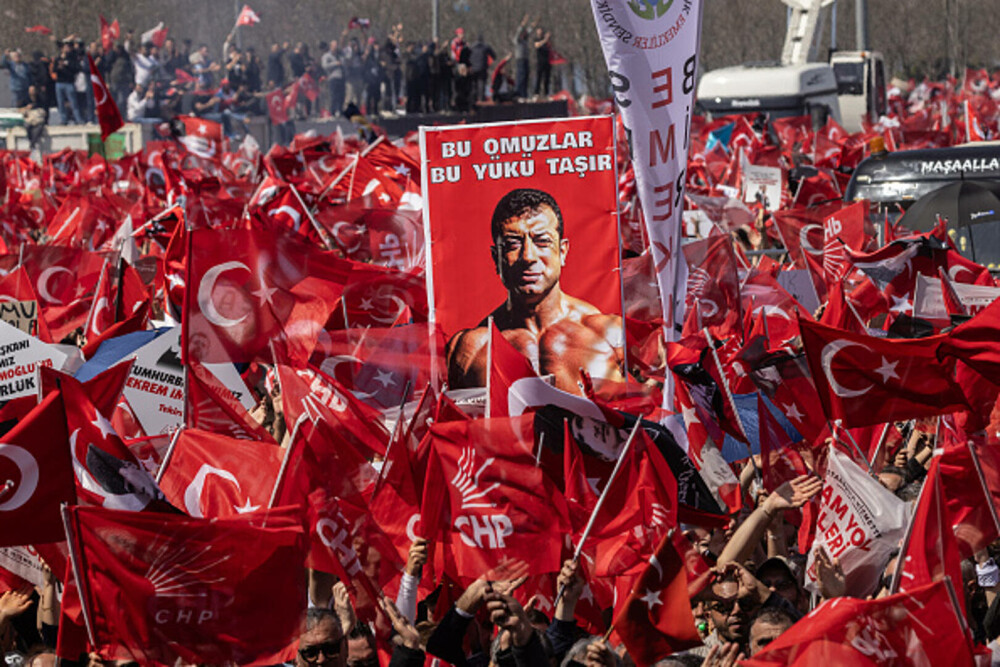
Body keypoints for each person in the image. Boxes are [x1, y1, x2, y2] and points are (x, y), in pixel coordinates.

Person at [446, 188, 625, 392]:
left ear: (563, 251)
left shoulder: (610, 336)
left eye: (542, 242)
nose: (528, 257)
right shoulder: (471, 349)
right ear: (496, 258)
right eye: (512, 244)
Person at [50, 40, 83, 124]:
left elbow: (77, 68)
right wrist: (59, 67)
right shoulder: (58, 58)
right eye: (65, 47)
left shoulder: (72, 58)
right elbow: (53, 70)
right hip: (59, 83)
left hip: (69, 83)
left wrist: (67, 65)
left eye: (68, 47)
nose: (66, 49)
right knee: (61, 103)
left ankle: (78, 119)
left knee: (73, 102)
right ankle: (63, 119)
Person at [468, 35, 496, 103]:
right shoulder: (486, 47)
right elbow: (494, 56)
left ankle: (474, 99)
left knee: (474, 83)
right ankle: (481, 99)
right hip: (482, 67)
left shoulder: (471, 47)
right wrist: (488, 63)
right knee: (481, 82)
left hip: (473, 68)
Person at [512, 15, 534, 100]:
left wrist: (532, 26)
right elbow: (518, 33)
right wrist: (522, 25)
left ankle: (524, 94)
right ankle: (518, 93)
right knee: (520, 76)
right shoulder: (517, 39)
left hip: (525, 58)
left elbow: (528, 32)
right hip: (520, 59)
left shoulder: (525, 40)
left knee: (525, 76)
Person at [21, 85, 48, 152]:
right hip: (30, 118)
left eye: (33, 90)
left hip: (38, 118)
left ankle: (32, 143)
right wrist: (27, 108)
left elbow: (43, 108)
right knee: (27, 126)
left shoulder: (40, 98)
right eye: (30, 90)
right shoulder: (26, 99)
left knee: (39, 128)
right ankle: (31, 141)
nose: (32, 92)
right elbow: (20, 108)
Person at [322, 40, 346, 115]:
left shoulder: (340, 56)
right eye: (334, 46)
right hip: (333, 77)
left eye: (336, 46)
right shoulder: (327, 56)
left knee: (341, 95)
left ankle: (340, 110)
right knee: (334, 95)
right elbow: (325, 66)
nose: (335, 48)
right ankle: (332, 111)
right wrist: (335, 63)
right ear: (331, 47)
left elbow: (344, 63)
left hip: (342, 77)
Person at [533, 27, 552, 98]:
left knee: (547, 78)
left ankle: (546, 93)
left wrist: (548, 38)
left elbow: (550, 48)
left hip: (547, 61)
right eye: (539, 31)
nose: (540, 32)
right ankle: (536, 93)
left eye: (541, 31)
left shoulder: (547, 41)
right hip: (540, 61)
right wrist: (544, 40)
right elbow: (537, 45)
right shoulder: (536, 39)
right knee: (539, 77)